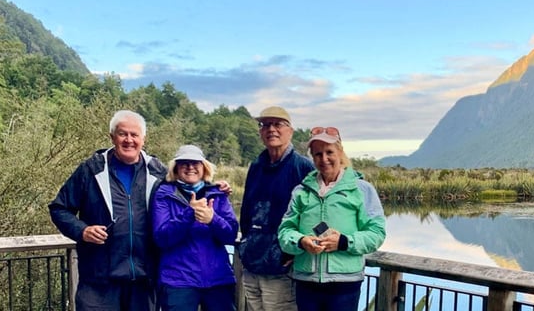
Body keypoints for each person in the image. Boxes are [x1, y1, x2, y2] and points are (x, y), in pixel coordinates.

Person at [49, 110, 166, 311]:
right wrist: (82, 231)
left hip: (144, 280)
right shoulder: (91, 170)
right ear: (112, 137)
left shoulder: (158, 172)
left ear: (143, 139)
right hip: (99, 281)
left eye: (134, 135)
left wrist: (215, 190)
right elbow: (59, 208)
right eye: (123, 134)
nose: (129, 140)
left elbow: (187, 191)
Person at [277, 126, 386, 311]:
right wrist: (301, 241)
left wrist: (343, 242)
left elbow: (377, 233)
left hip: (345, 283)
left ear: (340, 152)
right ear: (312, 156)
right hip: (306, 281)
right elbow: (285, 231)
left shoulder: (362, 189)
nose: (324, 159)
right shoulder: (301, 191)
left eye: (329, 152)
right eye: (318, 154)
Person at [238, 106, 315, 311]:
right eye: (266, 125)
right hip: (252, 264)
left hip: (282, 269)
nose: (271, 129)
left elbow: (319, 215)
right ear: (260, 132)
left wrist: (294, 251)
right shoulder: (256, 166)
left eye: (278, 124)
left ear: (290, 130)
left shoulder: (303, 168)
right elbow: (246, 211)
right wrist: (245, 245)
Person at [152, 145, 239, 311]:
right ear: (175, 168)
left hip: (218, 279)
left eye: (195, 163)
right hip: (178, 281)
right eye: (184, 163)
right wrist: (189, 213)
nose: (190, 167)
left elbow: (230, 234)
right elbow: (161, 238)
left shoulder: (217, 193)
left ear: (204, 167)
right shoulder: (164, 194)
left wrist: (212, 219)